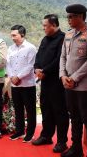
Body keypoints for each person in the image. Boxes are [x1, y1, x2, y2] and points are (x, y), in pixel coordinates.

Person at [60, 4, 87, 157]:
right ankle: (76, 149)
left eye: (71, 16)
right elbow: (63, 57)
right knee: (75, 118)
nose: (68, 19)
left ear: (80, 17)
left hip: (85, 86)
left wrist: (74, 78)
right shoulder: (68, 34)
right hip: (69, 85)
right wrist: (63, 76)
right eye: (68, 17)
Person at [32, 15, 69, 153]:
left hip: (57, 81)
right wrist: (36, 68)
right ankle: (46, 136)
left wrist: (45, 71)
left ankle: (62, 142)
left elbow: (60, 59)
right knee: (46, 109)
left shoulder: (63, 38)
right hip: (45, 81)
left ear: (53, 25)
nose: (43, 28)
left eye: (45, 26)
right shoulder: (44, 39)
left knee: (60, 112)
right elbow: (38, 56)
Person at [7, 25, 37, 143]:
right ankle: (19, 131)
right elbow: (8, 64)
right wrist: (12, 77)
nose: (13, 38)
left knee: (30, 110)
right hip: (15, 84)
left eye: (15, 35)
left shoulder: (31, 48)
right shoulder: (11, 48)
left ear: (22, 35)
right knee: (18, 109)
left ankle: (30, 133)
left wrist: (18, 77)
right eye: (11, 35)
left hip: (27, 84)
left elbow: (30, 66)